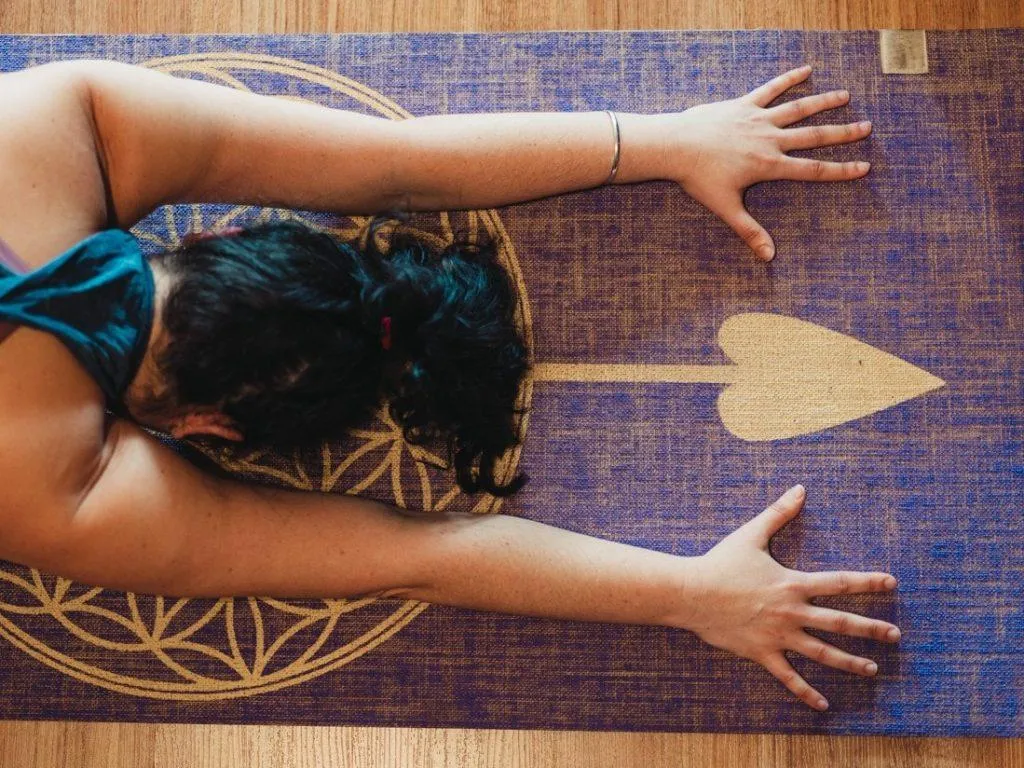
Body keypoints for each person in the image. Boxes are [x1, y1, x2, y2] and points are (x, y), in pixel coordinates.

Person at [0, 59, 898, 712]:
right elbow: (417, 558)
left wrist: (665, 139)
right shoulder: (57, 492)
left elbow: (400, 165)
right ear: (208, 429)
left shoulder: (53, 125)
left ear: (207, 243)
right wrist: (693, 595)